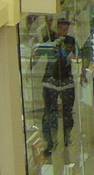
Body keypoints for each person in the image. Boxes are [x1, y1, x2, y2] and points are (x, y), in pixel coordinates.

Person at [32, 17, 77, 156]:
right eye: (61, 28)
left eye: (66, 28)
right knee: (49, 112)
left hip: (66, 81)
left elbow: (73, 54)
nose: (64, 31)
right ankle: (50, 143)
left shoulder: (69, 41)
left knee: (67, 111)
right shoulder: (48, 39)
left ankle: (65, 139)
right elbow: (37, 53)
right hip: (50, 81)